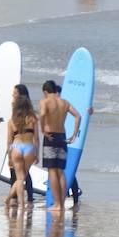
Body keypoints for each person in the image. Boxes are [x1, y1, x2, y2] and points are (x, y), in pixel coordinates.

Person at [38, 79, 81, 216]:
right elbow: (78, 116)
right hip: (62, 136)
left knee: (52, 171)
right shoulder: (65, 102)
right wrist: (74, 134)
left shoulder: (45, 102)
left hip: (50, 136)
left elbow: (43, 114)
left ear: (45, 92)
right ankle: (61, 204)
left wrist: (43, 130)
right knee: (61, 172)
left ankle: (57, 204)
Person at [4, 92, 38, 213]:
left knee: (19, 178)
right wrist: (37, 154)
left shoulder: (11, 121)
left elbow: (9, 141)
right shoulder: (33, 118)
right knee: (22, 178)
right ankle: (13, 201)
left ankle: (19, 203)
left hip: (16, 147)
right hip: (29, 148)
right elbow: (36, 138)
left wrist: (9, 157)